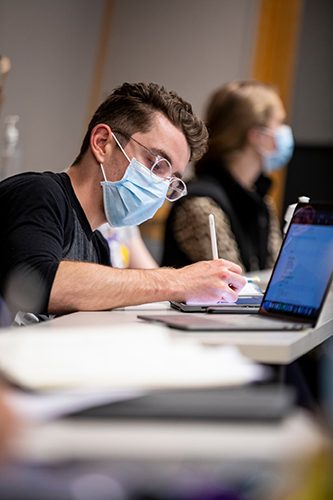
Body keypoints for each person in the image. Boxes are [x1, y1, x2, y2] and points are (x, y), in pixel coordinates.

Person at [0, 82, 246, 320]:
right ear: (102, 143)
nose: (161, 186)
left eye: (172, 180)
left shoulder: (98, 246)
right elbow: (39, 281)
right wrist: (179, 281)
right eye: (157, 164)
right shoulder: (37, 193)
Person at [162, 80, 294, 272]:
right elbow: (235, 286)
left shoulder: (260, 201)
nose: (284, 131)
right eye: (280, 122)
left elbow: (276, 275)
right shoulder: (200, 203)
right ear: (257, 136)